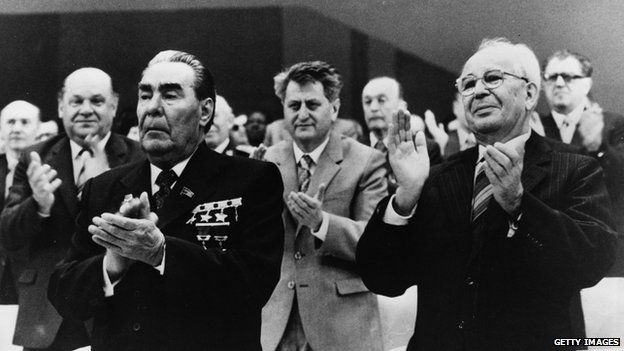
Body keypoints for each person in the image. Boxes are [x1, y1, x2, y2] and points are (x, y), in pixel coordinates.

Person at [356, 38, 616, 351]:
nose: (478, 91)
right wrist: (405, 198)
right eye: (467, 84)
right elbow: (383, 279)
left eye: (492, 78)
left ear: (530, 93)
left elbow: (592, 263)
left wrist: (520, 206)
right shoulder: (436, 177)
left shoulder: (575, 168)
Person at [48, 50, 284, 351]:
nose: (153, 108)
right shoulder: (105, 187)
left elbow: (253, 285)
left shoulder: (250, 179)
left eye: (170, 95)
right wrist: (113, 263)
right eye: (145, 95)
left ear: (205, 111)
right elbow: (63, 293)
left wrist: (161, 253)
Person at [0, 68, 144, 351]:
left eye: (97, 101)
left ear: (113, 106)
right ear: (60, 106)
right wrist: (39, 204)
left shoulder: (139, 156)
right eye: (76, 101)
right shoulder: (36, 155)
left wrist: (104, 184)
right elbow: (6, 234)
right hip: (46, 309)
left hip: (115, 307)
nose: (86, 110)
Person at [261, 61, 387, 351]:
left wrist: (322, 224)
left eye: (312, 104)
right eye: (293, 105)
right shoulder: (266, 160)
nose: (302, 114)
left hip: (341, 322)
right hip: (276, 320)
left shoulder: (366, 161)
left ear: (334, 108)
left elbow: (376, 243)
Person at [361, 76, 442, 193]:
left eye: (381, 100)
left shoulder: (424, 150)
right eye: (368, 102)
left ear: (402, 107)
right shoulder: (353, 148)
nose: (373, 108)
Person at [0, 101, 41, 307]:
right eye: (10, 122)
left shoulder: (51, 171)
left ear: (38, 129)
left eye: (24, 122)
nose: (16, 128)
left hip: (33, 281)